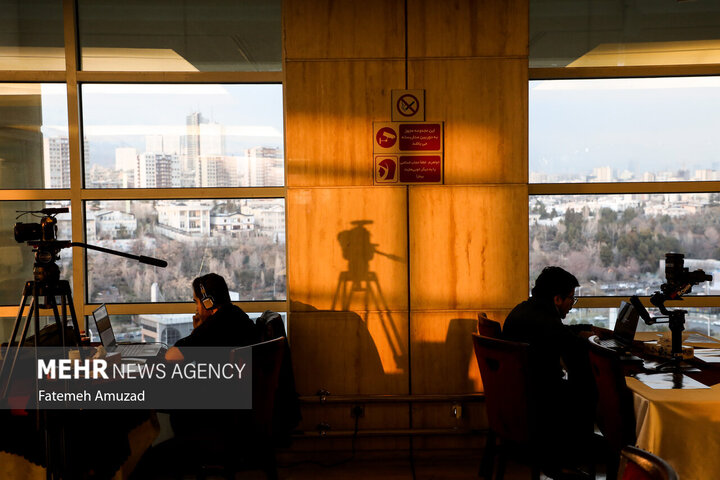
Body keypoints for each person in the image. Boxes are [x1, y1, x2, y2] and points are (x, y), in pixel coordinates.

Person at [502, 266, 598, 477]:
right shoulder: (544, 322)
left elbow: (561, 333)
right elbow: (572, 347)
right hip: (540, 403)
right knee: (589, 392)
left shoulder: (526, 310)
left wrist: (584, 330)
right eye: (571, 299)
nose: (571, 305)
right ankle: (569, 461)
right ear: (556, 299)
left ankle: (571, 457)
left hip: (521, 398)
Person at [165, 273, 257, 362]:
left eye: (197, 302)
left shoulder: (212, 327)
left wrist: (198, 330)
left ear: (207, 303)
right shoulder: (237, 313)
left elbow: (171, 356)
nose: (196, 309)